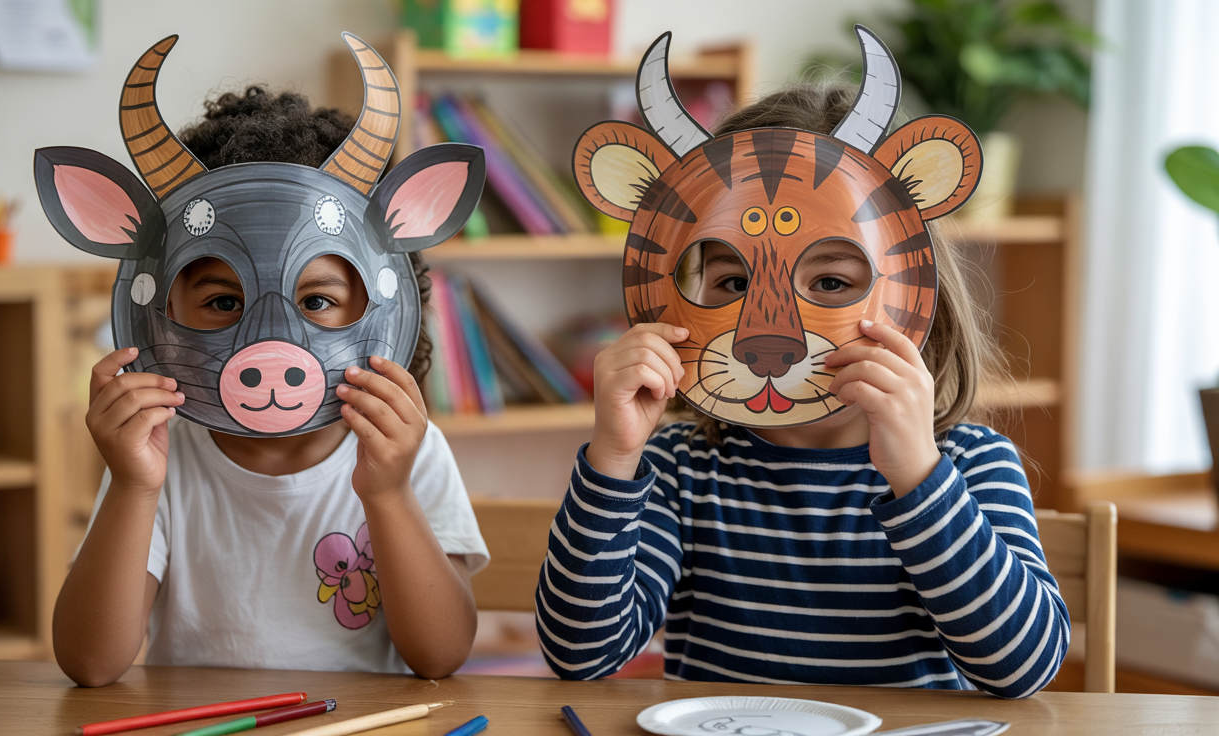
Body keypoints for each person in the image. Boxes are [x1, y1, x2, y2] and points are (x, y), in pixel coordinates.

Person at [536, 82, 1070, 698]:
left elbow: (1022, 671)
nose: (770, 332)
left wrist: (919, 476)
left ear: (913, 298)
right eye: (733, 282)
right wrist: (613, 457)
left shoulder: (970, 465)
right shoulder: (679, 467)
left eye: (834, 282)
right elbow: (580, 655)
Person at [53, 87, 487, 687]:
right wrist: (133, 486)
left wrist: (386, 492)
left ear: (382, 308)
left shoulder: (407, 452)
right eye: (223, 300)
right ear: (161, 310)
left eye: (318, 301)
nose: (269, 342)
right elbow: (90, 664)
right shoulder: (158, 456)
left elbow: (440, 656)